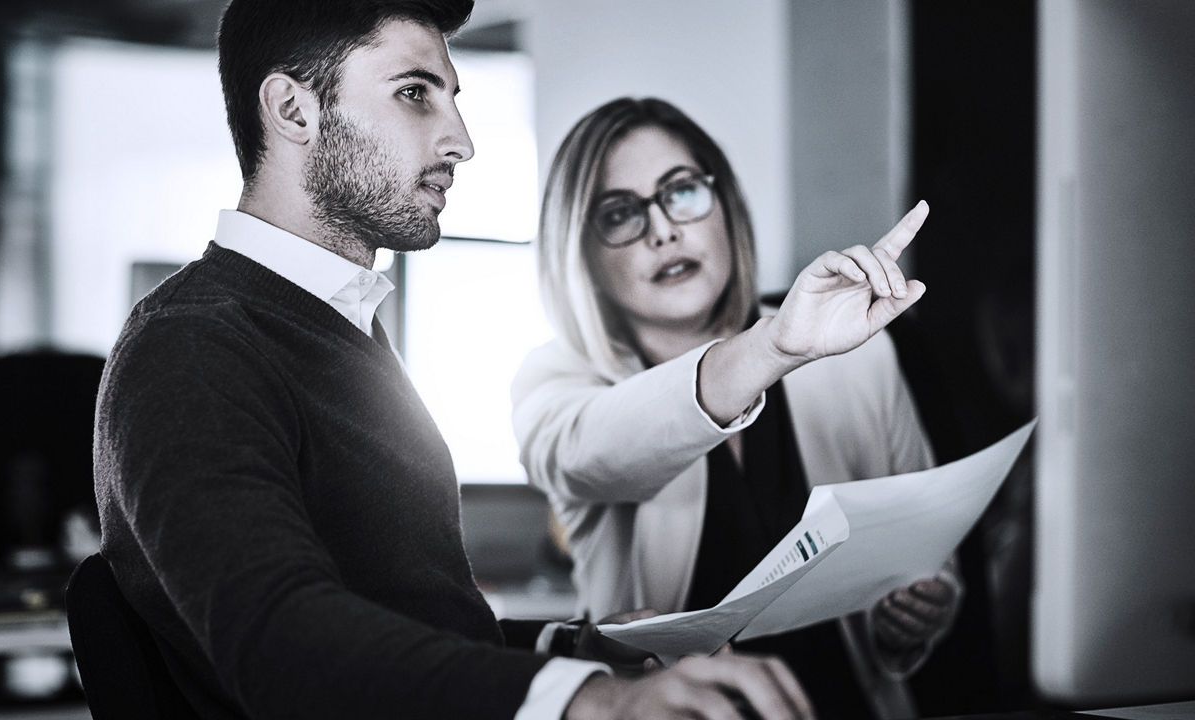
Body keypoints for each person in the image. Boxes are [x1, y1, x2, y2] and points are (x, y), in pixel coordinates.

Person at [93, 2, 818, 719]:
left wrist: (579, 650)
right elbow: (283, 644)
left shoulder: (337, 330)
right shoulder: (193, 346)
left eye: (453, 99)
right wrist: (590, 703)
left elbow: (409, 626)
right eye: (415, 94)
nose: (460, 141)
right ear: (292, 110)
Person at [511, 97, 962, 719]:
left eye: (683, 191)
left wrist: (913, 616)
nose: (663, 229)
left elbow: (927, 547)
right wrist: (773, 348)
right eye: (620, 213)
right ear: (582, 255)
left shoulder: (861, 355)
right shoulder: (558, 378)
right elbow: (594, 453)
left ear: (726, 206)